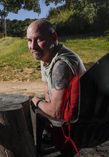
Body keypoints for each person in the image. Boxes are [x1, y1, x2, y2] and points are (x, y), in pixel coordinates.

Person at [26, 19, 86, 156]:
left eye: (39, 39)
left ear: (54, 38)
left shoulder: (61, 65)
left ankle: (55, 139)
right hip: (78, 114)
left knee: (34, 104)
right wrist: (48, 103)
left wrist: (36, 101)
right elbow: (47, 88)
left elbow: (58, 113)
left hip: (76, 126)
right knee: (44, 105)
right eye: (29, 40)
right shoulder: (47, 55)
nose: (33, 46)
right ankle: (50, 135)